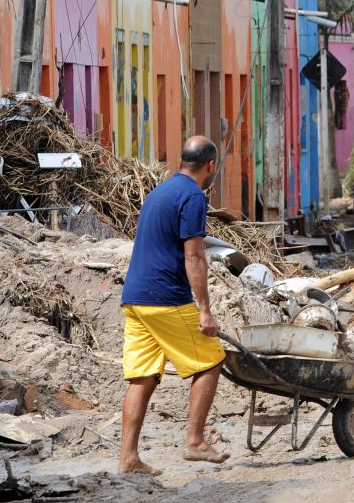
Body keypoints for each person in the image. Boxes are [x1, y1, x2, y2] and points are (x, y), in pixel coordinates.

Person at [118, 136, 228, 475]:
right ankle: (195, 441)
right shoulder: (193, 196)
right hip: (164, 298)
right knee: (211, 360)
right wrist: (205, 311)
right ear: (211, 166)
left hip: (135, 298)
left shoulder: (159, 192)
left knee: (143, 378)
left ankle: (128, 460)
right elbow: (194, 255)